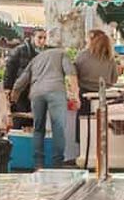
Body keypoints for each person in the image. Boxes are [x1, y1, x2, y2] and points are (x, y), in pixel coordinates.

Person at [13, 29, 80, 169]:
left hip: (36, 93)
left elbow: (22, 81)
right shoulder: (62, 54)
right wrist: (75, 95)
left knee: (38, 128)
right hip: (56, 91)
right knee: (58, 128)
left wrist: (14, 96)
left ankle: (39, 164)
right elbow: (71, 75)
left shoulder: (36, 59)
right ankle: (57, 164)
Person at [75, 30, 119, 142]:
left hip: (84, 95)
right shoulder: (110, 58)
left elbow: (74, 75)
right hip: (105, 96)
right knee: (102, 127)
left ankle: (83, 152)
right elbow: (114, 79)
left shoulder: (83, 55)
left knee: (83, 126)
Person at [3, 28, 45, 129]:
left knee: (32, 122)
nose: (42, 41)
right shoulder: (19, 50)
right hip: (19, 93)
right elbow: (9, 70)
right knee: (19, 120)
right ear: (32, 37)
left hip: (33, 93)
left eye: (44, 38)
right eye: (40, 37)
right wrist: (8, 89)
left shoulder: (41, 54)